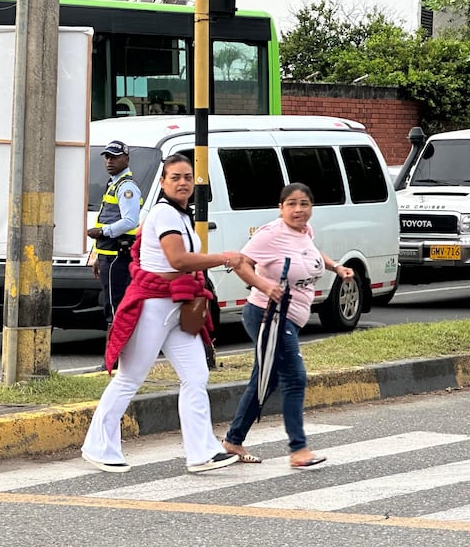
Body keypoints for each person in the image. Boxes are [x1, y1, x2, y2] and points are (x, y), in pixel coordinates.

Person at [81, 154, 243, 474]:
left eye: (187, 177)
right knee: (130, 378)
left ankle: (201, 452)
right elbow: (178, 260)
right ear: (163, 182)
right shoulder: (165, 213)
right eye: (175, 177)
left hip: (177, 306)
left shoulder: (181, 215)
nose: (182, 182)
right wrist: (224, 257)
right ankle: (98, 447)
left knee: (196, 376)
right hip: (152, 305)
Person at [221, 182, 354, 469]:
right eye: (291, 204)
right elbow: (240, 262)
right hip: (268, 315)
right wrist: (264, 286)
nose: (298, 210)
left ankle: (233, 441)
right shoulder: (270, 234)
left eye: (304, 204)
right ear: (280, 207)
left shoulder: (305, 231)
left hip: (291, 317)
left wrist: (336, 267)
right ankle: (298, 449)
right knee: (294, 377)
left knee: (265, 379)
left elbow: (312, 253)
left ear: (311, 207)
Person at [87, 141, 141, 328]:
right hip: (108, 255)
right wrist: (98, 256)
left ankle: (118, 344)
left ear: (126, 159)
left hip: (117, 256)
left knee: (116, 306)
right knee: (111, 303)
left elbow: (130, 221)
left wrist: (102, 232)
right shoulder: (114, 184)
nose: (110, 161)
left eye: (115, 157)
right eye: (107, 157)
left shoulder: (126, 187)